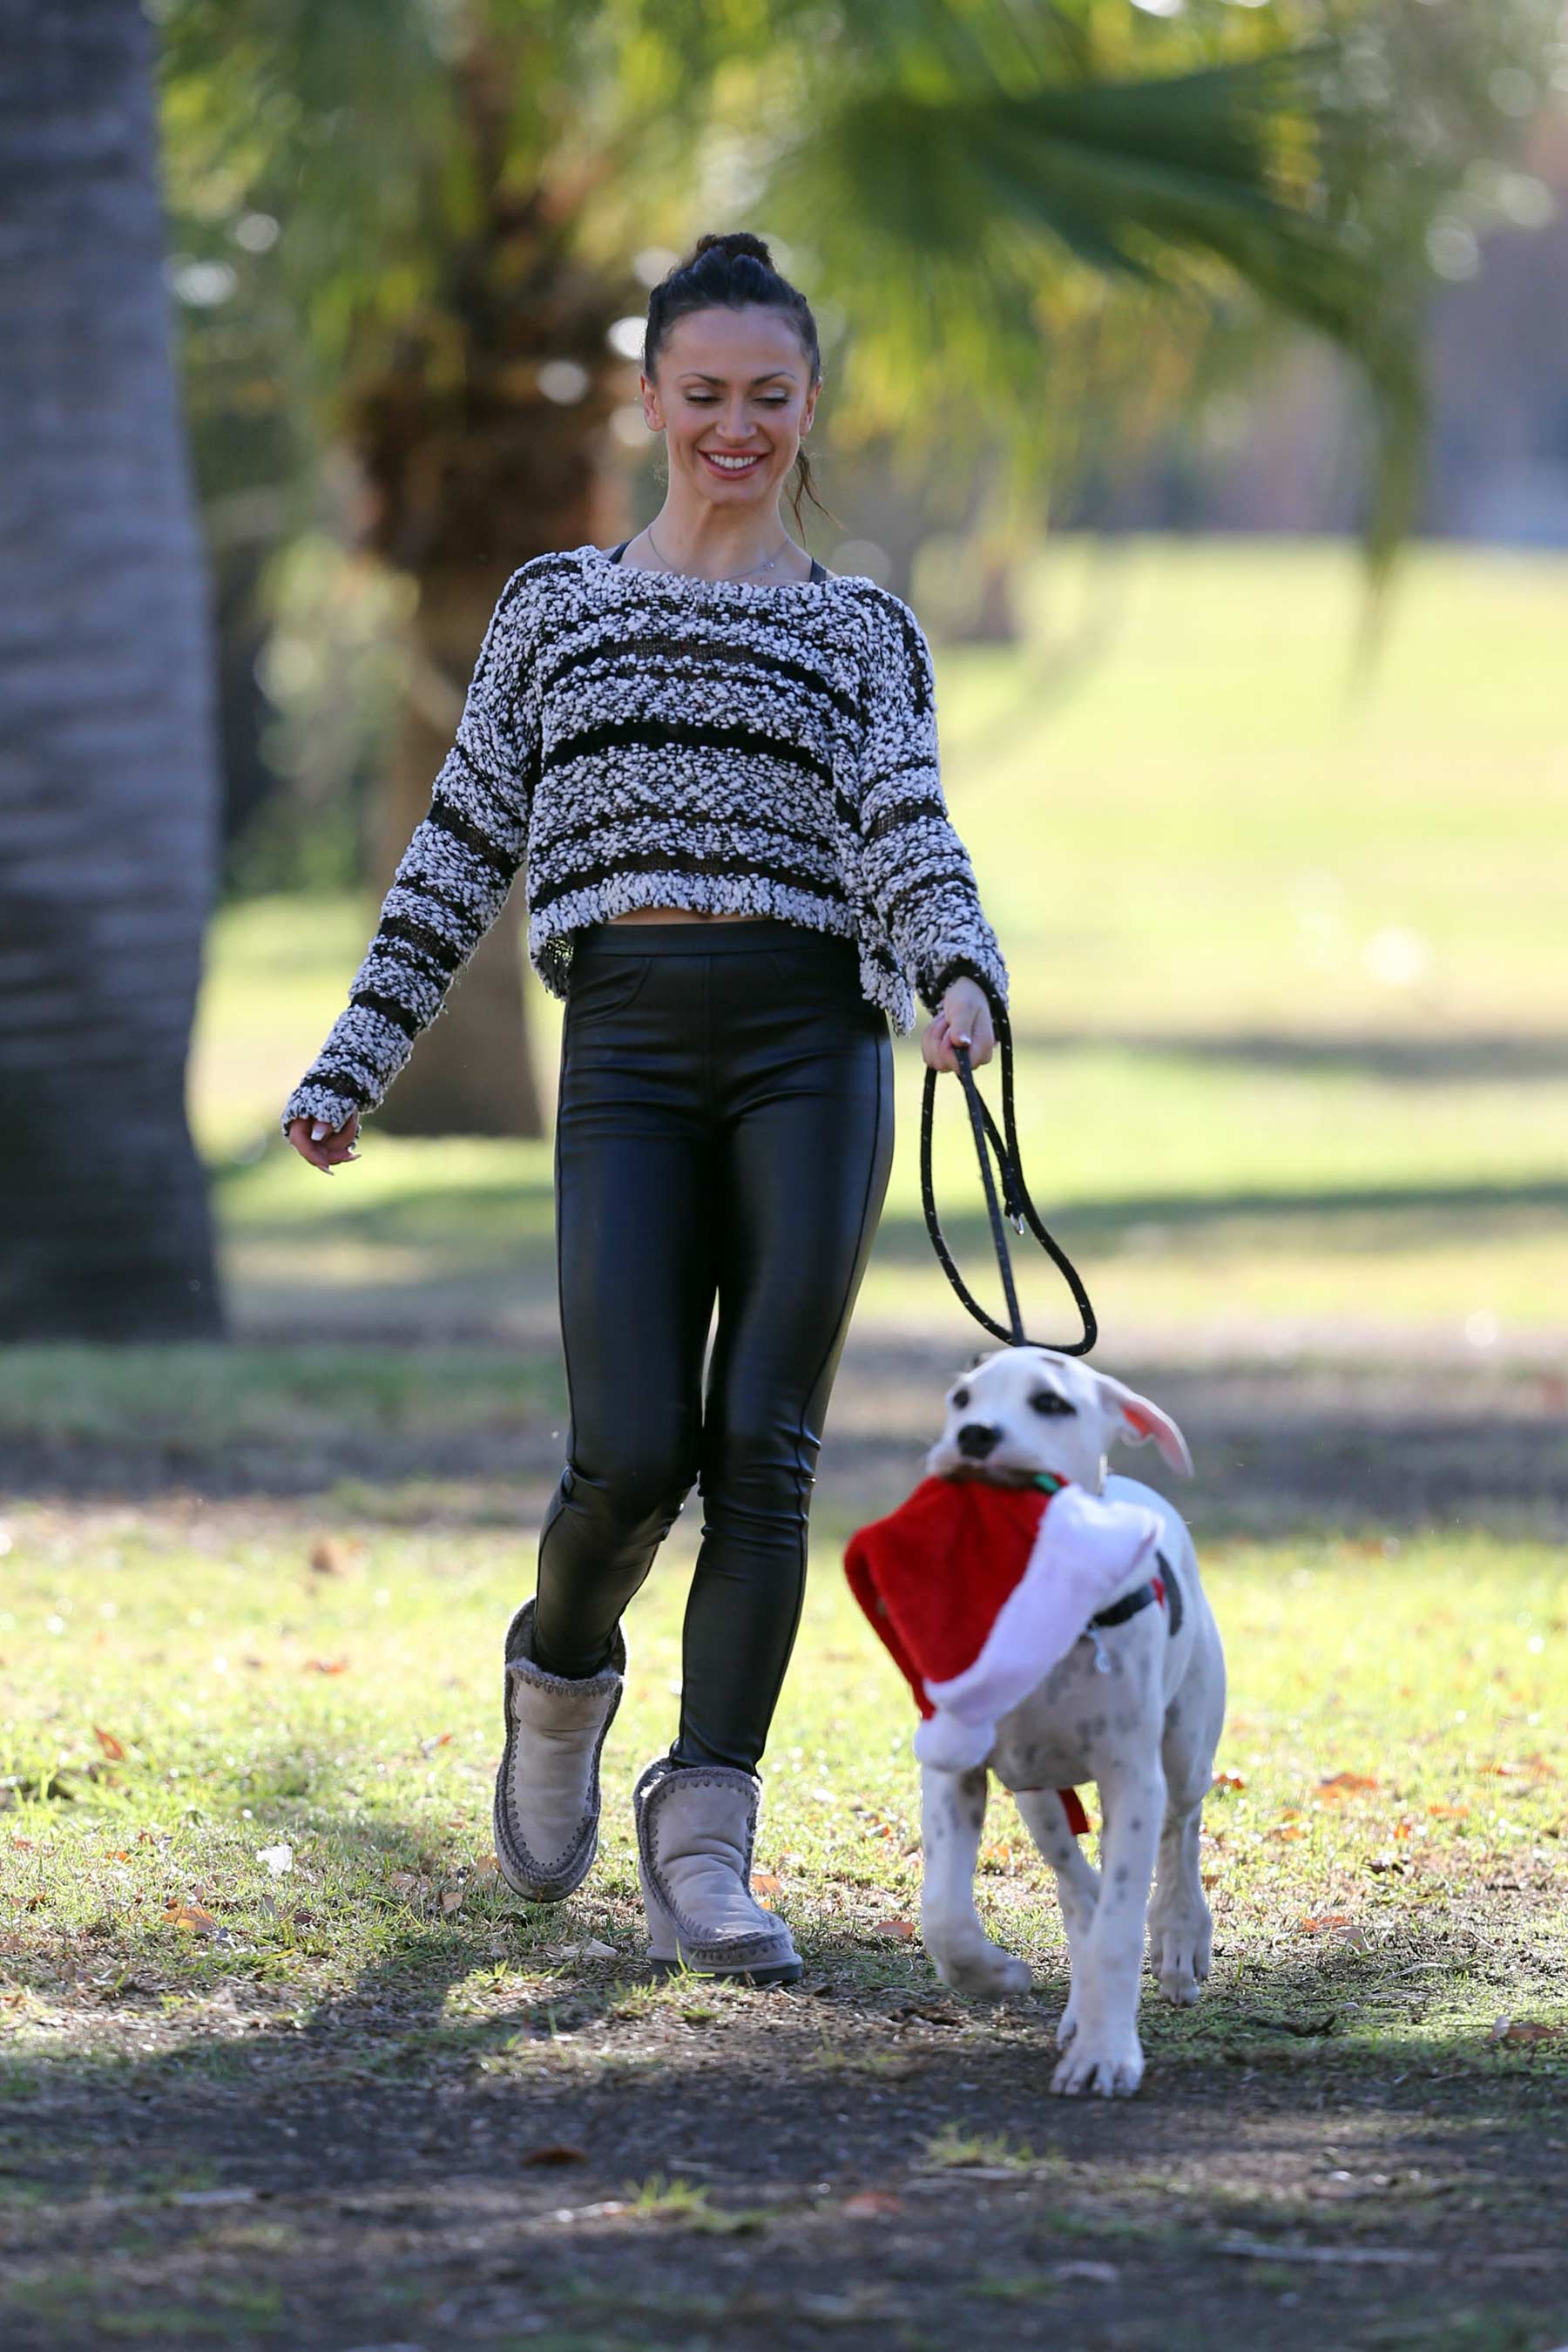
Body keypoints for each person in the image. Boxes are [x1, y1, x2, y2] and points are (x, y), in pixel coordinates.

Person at [282, 230, 1010, 1986]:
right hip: (621, 1044)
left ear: (808, 404)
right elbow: (460, 848)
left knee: (762, 1445)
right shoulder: (559, 610)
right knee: (630, 1449)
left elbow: (909, 829)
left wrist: (958, 972)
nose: (737, 427)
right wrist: (355, 1060)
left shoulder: (860, 633)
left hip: (807, 1050)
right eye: (705, 395)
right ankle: (558, 1675)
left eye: (770, 396)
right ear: (652, 400)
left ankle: (706, 1833)